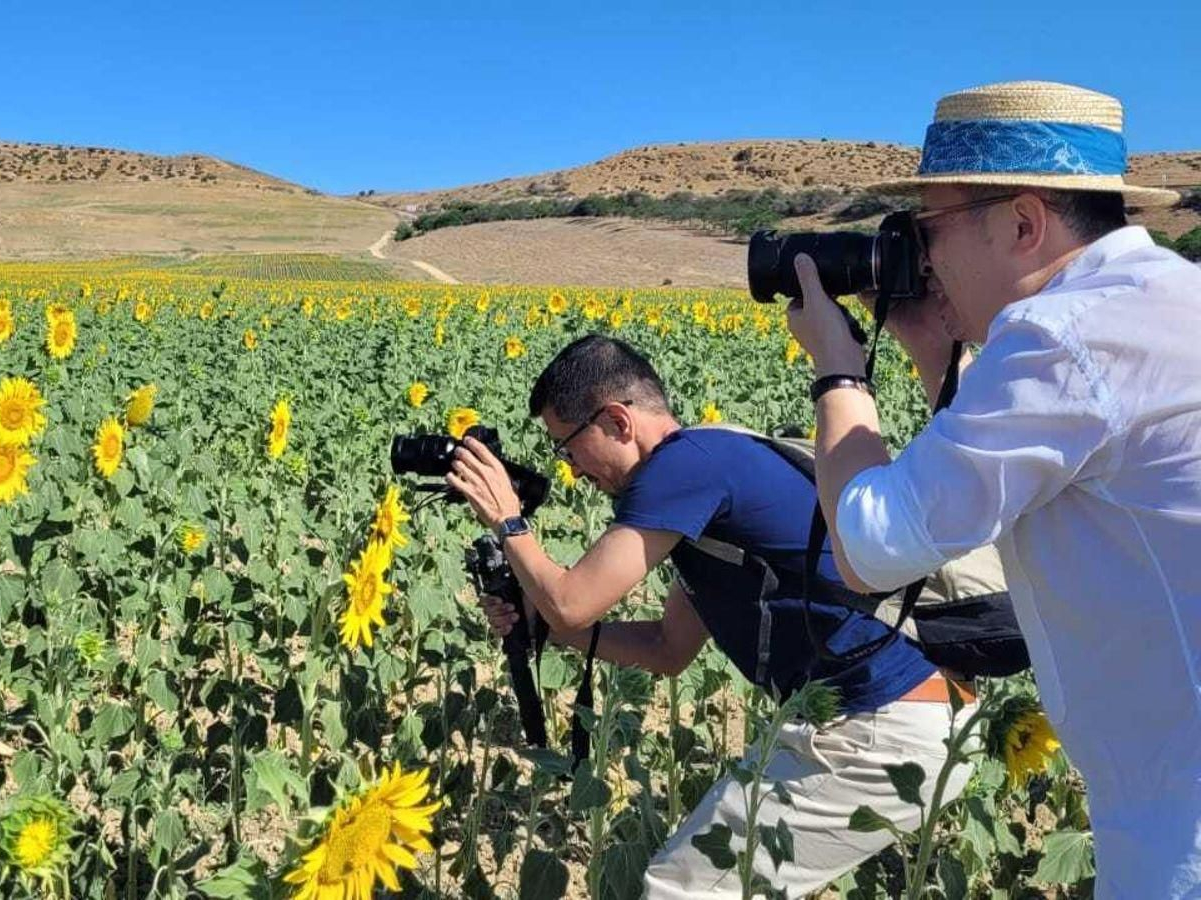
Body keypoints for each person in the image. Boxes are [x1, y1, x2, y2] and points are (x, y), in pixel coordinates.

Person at [784, 80, 1201, 898]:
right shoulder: (1162, 298)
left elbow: (870, 545)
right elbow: (1032, 461)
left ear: (1022, 223)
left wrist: (837, 370)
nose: (922, 259)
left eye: (928, 229)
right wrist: (938, 357)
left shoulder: (1065, 334)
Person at [446, 334, 974, 898]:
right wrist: (548, 631)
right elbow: (668, 648)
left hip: (882, 729)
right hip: (878, 720)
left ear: (617, 421)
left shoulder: (683, 468)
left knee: (683, 890)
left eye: (568, 448)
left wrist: (508, 520)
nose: (572, 471)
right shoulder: (705, 469)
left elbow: (572, 600)